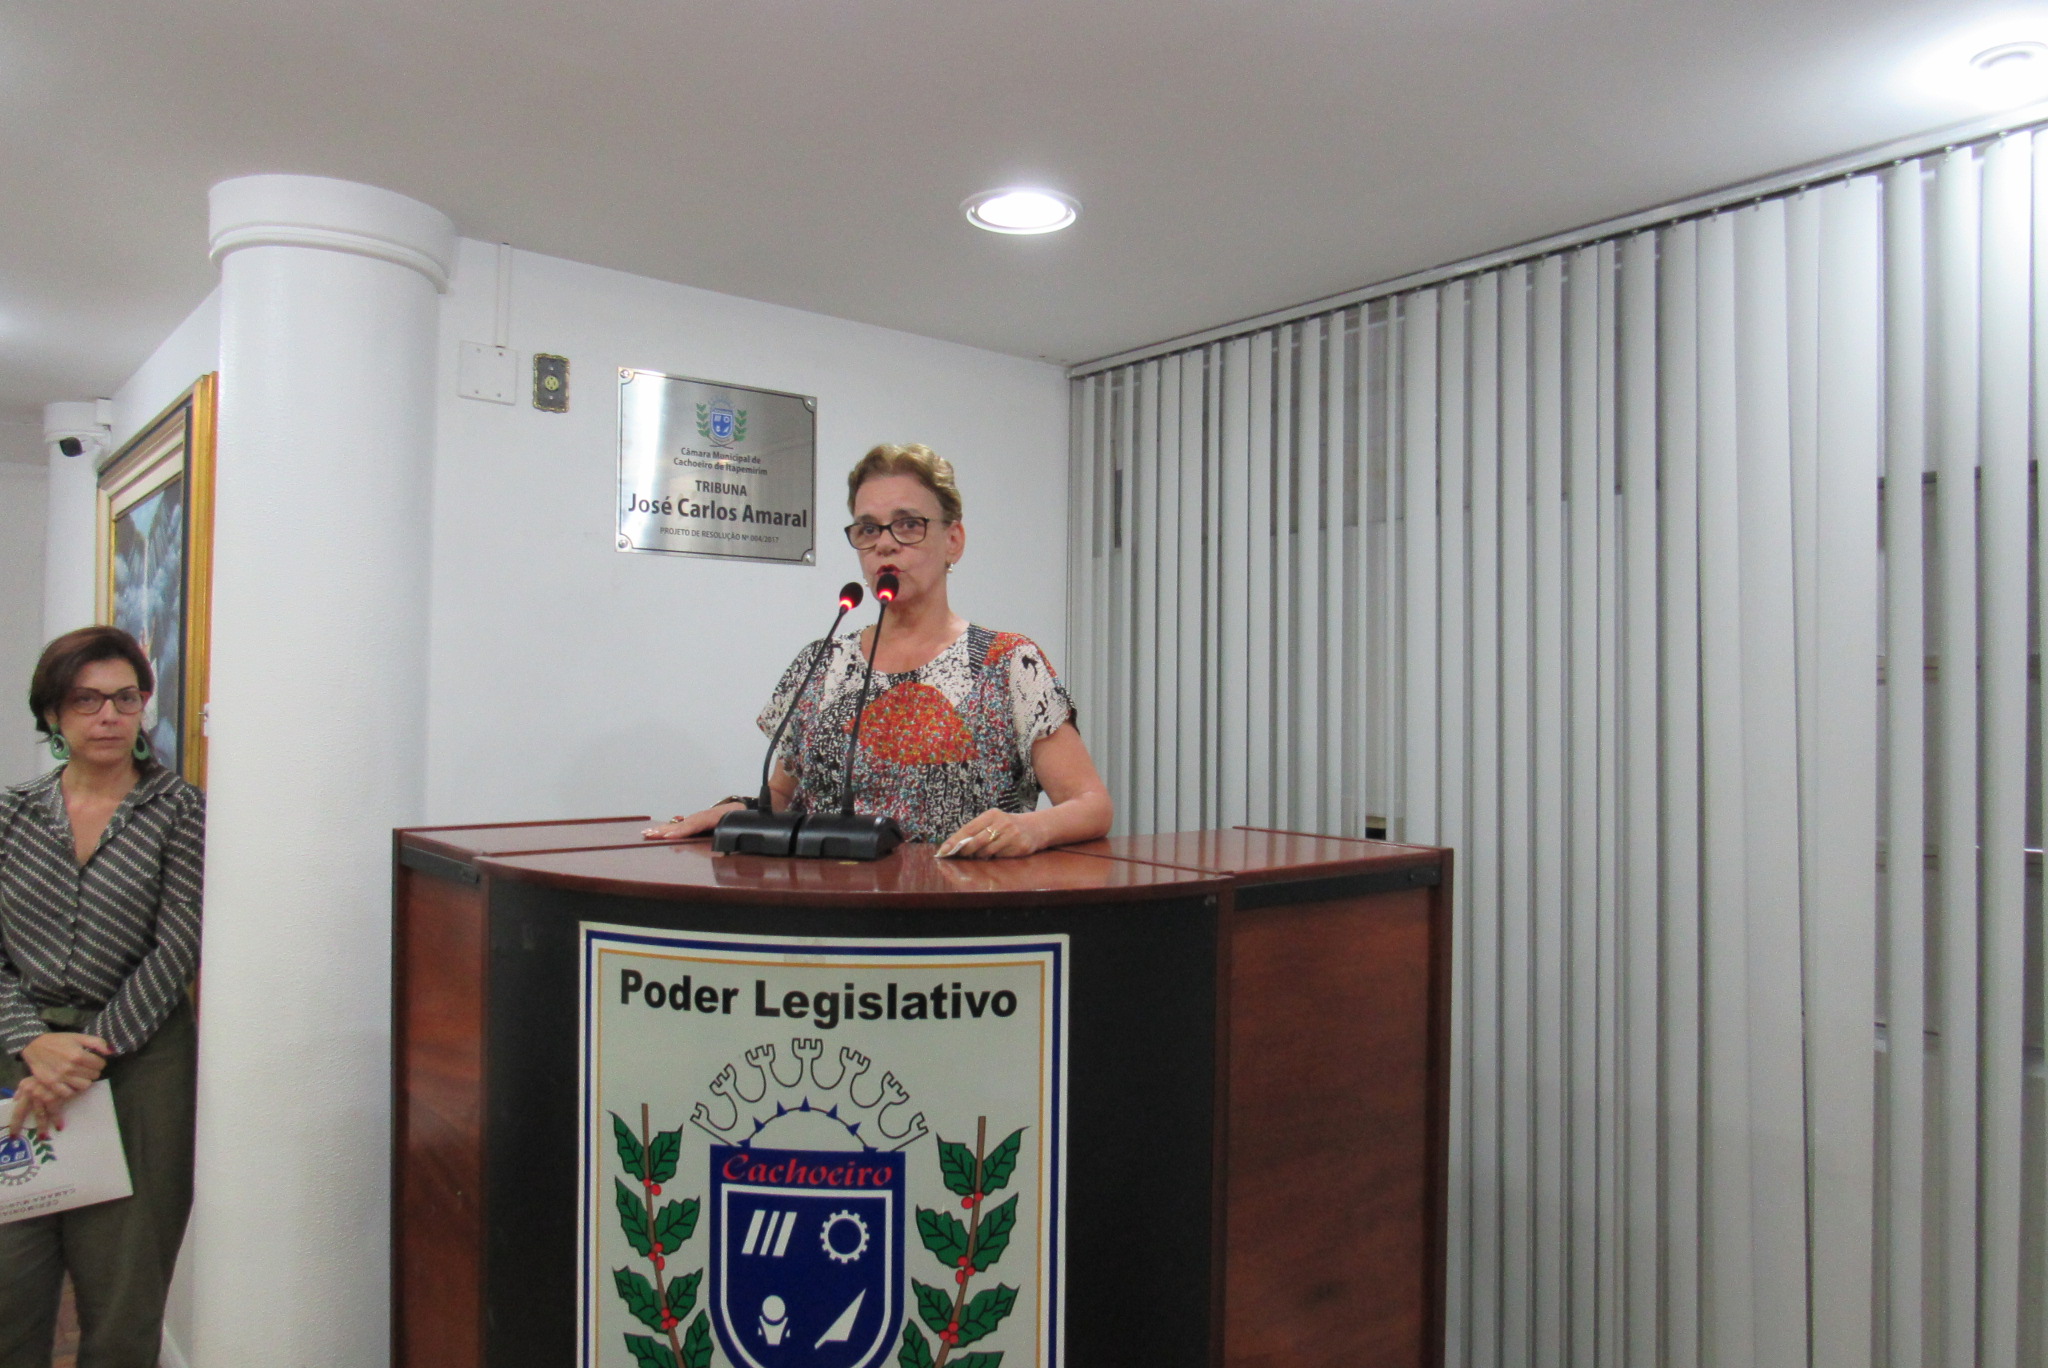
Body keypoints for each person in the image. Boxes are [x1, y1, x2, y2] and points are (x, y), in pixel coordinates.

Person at [647, 443, 1112, 857]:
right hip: (827, 905)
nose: (885, 543)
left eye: (908, 524)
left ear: (953, 541)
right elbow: (784, 797)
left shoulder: (1008, 663)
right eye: (868, 529)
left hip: (959, 906)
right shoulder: (823, 662)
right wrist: (733, 811)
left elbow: (1092, 805)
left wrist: (1032, 828)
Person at [0, 626, 204, 1368]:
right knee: (10, 1287)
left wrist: (84, 1056)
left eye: (125, 698)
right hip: (18, 1060)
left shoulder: (183, 812)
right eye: (86, 700)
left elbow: (177, 946)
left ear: (145, 704)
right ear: (53, 713)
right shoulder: (11, 814)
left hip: (141, 1066)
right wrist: (33, 1042)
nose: (109, 716)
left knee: (123, 1301)